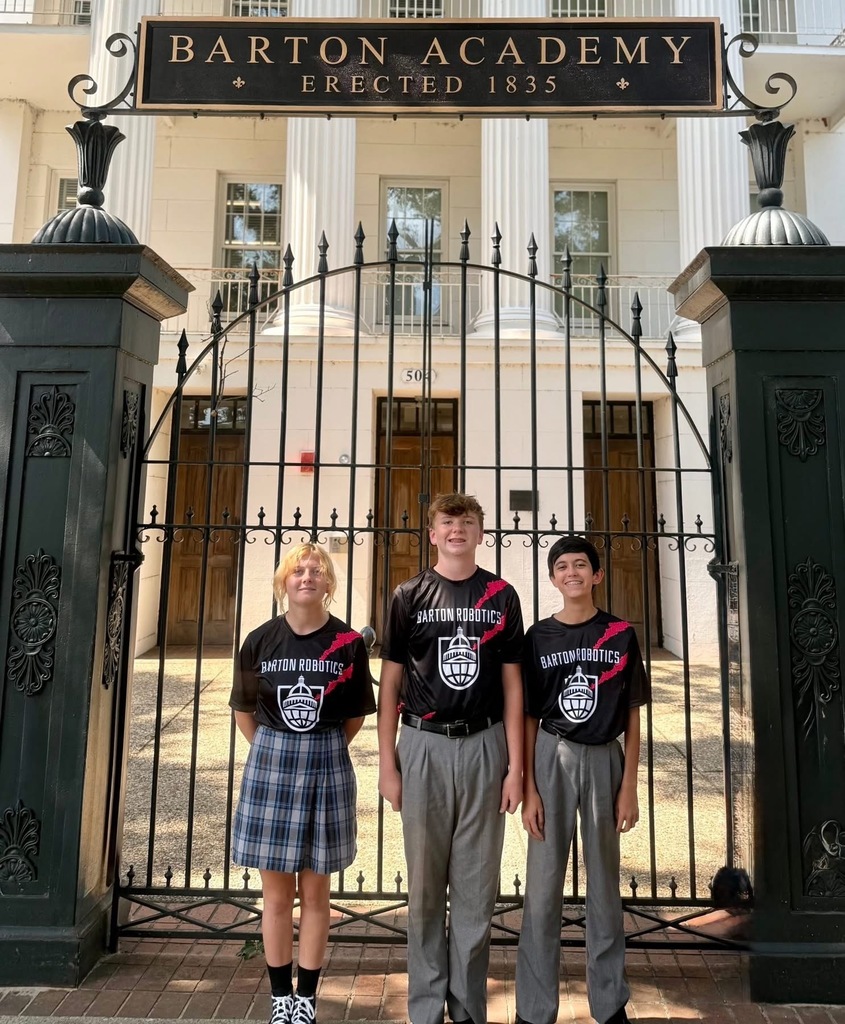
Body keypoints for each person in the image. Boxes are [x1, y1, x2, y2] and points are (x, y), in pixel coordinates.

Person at [377, 492, 525, 1024]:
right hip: (422, 746)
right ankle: (424, 1007)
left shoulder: (501, 596)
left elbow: (513, 685)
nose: (457, 529)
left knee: (476, 886)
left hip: (485, 744)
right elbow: (391, 679)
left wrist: (516, 767)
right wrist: (387, 762)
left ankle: (466, 1006)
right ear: (433, 533)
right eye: (447, 522)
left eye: (467, 522)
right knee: (422, 887)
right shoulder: (409, 595)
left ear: (481, 533)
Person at [229, 543, 376, 1024]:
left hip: (326, 760)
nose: (307, 577)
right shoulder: (259, 640)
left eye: (317, 571)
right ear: (283, 582)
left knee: (316, 895)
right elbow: (244, 709)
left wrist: (323, 747)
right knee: (275, 896)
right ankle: (279, 998)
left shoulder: (348, 644)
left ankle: (306, 999)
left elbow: (354, 715)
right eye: (298, 571)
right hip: (272, 761)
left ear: (329, 584)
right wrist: (271, 748)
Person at [515, 537, 650, 1024]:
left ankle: (610, 1001)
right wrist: (528, 787)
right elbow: (529, 716)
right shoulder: (539, 637)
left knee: (604, 885)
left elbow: (633, 714)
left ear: (596, 575)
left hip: (603, 758)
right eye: (561, 566)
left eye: (580, 565)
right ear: (553, 578)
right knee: (543, 885)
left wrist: (629, 785)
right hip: (551, 754)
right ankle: (534, 1009)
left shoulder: (619, 633)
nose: (571, 572)